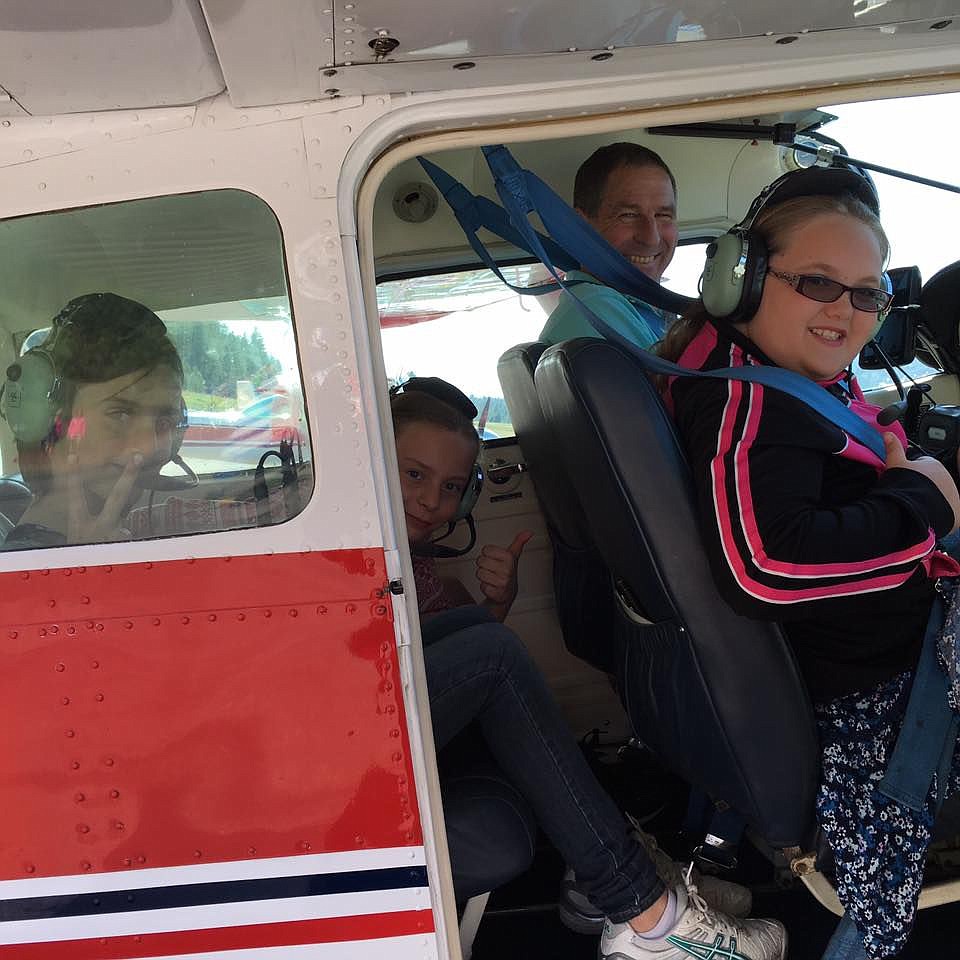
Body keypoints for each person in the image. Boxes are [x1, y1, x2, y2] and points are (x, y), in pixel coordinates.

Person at [660, 167, 960, 958]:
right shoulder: (752, 397)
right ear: (743, 279)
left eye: (868, 295)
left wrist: (889, 463)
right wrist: (926, 506)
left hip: (880, 651)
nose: (846, 311)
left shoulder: (770, 378)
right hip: (891, 684)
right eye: (819, 283)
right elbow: (763, 564)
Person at [391, 378, 784, 960]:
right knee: (493, 652)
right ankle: (647, 915)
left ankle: (607, 880)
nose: (430, 501)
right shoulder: (356, 559)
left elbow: (451, 669)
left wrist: (494, 607)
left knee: (485, 638)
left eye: (451, 487)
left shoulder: (418, 569)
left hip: (400, 720)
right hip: (347, 738)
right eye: (412, 474)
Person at [0, 292, 187, 550]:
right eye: (120, 414)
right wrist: (86, 570)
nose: (149, 448)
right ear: (53, 423)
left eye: (165, 421)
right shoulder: (25, 564)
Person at [540, 142, 678, 348]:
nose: (652, 238)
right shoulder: (596, 310)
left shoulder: (637, 307)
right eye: (628, 215)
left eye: (663, 215)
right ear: (582, 226)